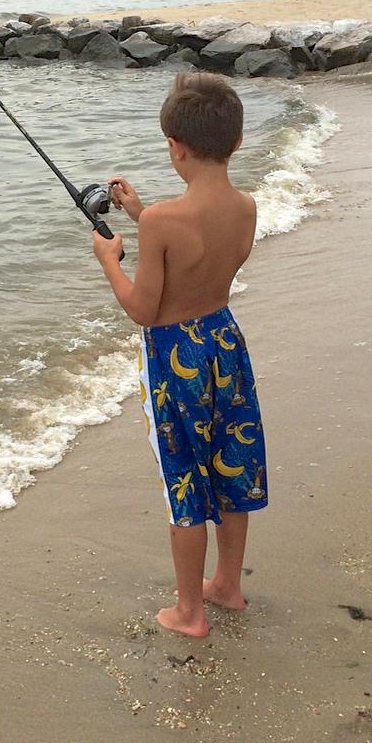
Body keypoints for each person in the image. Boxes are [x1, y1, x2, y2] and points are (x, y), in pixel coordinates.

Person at [91, 71, 267, 637]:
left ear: (177, 148)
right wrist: (140, 212)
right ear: (236, 143)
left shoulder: (167, 221)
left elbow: (144, 308)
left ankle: (189, 611)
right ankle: (228, 587)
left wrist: (110, 262)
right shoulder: (246, 208)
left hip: (176, 359)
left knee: (184, 482)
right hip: (224, 342)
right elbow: (197, 250)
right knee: (229, 467)